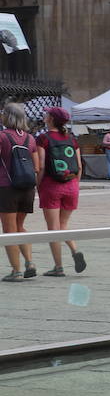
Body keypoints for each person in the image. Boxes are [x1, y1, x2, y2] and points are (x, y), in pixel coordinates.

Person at [34, 107, 87, 278]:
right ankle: (74, 250)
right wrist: (75, 185)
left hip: (51, 185)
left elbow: (41, 166)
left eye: (46, 114)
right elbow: (79, 166)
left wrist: (38, 185)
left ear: (50, 119)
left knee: (53, 228)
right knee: (63, 225)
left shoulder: (43, 138)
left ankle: (58, 267)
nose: (44, 115)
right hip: (71, 185)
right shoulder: (72, 139)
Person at [0, 102, 39, 281]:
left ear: (7, 116)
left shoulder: (1, 137)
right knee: (20, 226)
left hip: (7, 187)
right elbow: (37, 167)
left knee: (9, 230)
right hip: (27, 188)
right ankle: (29, 262)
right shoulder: (30, 139)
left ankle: (16, 271)